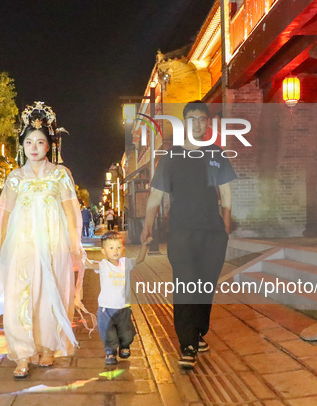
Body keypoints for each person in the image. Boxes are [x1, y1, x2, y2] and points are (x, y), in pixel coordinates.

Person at [0, 102, 93, 379]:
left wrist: (74, 244)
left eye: (40, 142)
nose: (35, 147)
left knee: (50, 295)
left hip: (53, 245)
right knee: (20, 295)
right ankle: (23, 353)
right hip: (22, 247)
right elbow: (2, 215)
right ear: (22, 146)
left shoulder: (60, 175)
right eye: (29, 142)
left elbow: (71, 211)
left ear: (49, 145)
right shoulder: (15, 178)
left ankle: (47, 346)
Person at [141, 101, 236, 370]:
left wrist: (225, 228)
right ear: (185, 124)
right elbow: (155, 197)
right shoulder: (171, 158)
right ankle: (187, 344)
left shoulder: (216, 154)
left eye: (202, 119)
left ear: (207, 123)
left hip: (212, 233)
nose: (197, 123)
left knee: (206, 287)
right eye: (192, 119)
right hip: (181, 233)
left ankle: (197, 332)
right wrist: (148, 226)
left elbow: (226, 194)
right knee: (186, 286)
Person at [84, 231, 150, 365]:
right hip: (106, 308)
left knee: (126, 332)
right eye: (111, 248)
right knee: (108, 332)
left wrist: (144, 245)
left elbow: (140, 259)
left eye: (119, 247)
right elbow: (89, 264)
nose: (116, 251)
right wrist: (77, 251)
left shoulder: (126, 263)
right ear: (103, 251)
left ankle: (125, 345)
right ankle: (110, 353)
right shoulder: (103, 265)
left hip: (124, 308)